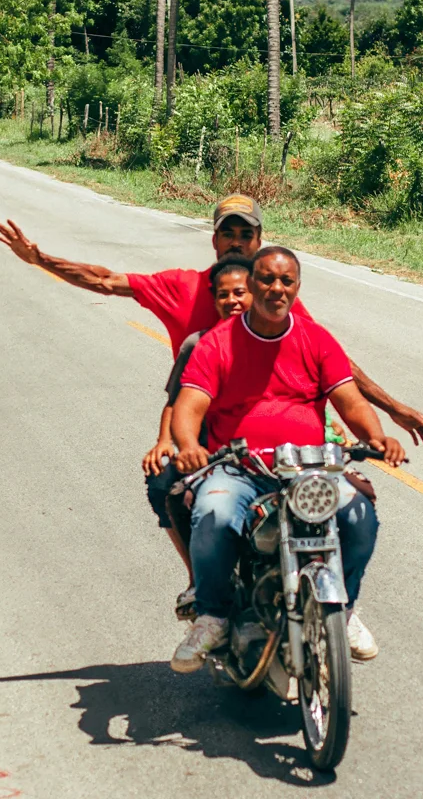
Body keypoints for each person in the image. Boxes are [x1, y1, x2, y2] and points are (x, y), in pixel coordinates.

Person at [0, 195, 423, 447]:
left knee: (352, 496)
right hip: (209, 423)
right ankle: (200, 588)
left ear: (260, 242)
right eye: (230, 233)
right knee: (168, 489)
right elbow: (107, 280)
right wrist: (41, 259)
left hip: (285, 423)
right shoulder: (181, 286)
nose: (237, 243)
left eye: (247, 235)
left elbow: (334, 363)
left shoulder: (272, 295)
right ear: (214, 240)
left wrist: (393, 409)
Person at [168, 247, 405, 673]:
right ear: (253, 283)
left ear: (297, 287)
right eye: (267, 280)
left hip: (308, 468)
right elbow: (189, 406)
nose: (277, 289)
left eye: (287, 281)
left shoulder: (316, 339)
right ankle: (213, 617)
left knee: (358, 515)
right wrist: (188, 445)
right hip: (240, 467)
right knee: (213, 512)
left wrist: (377, 437)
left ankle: (344, 610)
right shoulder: (217, 343)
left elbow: (349, 402)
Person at [143, 255, 254, 622]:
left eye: (241, 292)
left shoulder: (283, 336)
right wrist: (167, 442)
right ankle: (199, 579)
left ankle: (339, 606)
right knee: (165, 485)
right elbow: (176, 402)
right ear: (215, 300)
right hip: (215, 453)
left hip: (269, 452)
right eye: (224, 295)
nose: (233, 301)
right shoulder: (200, 345)